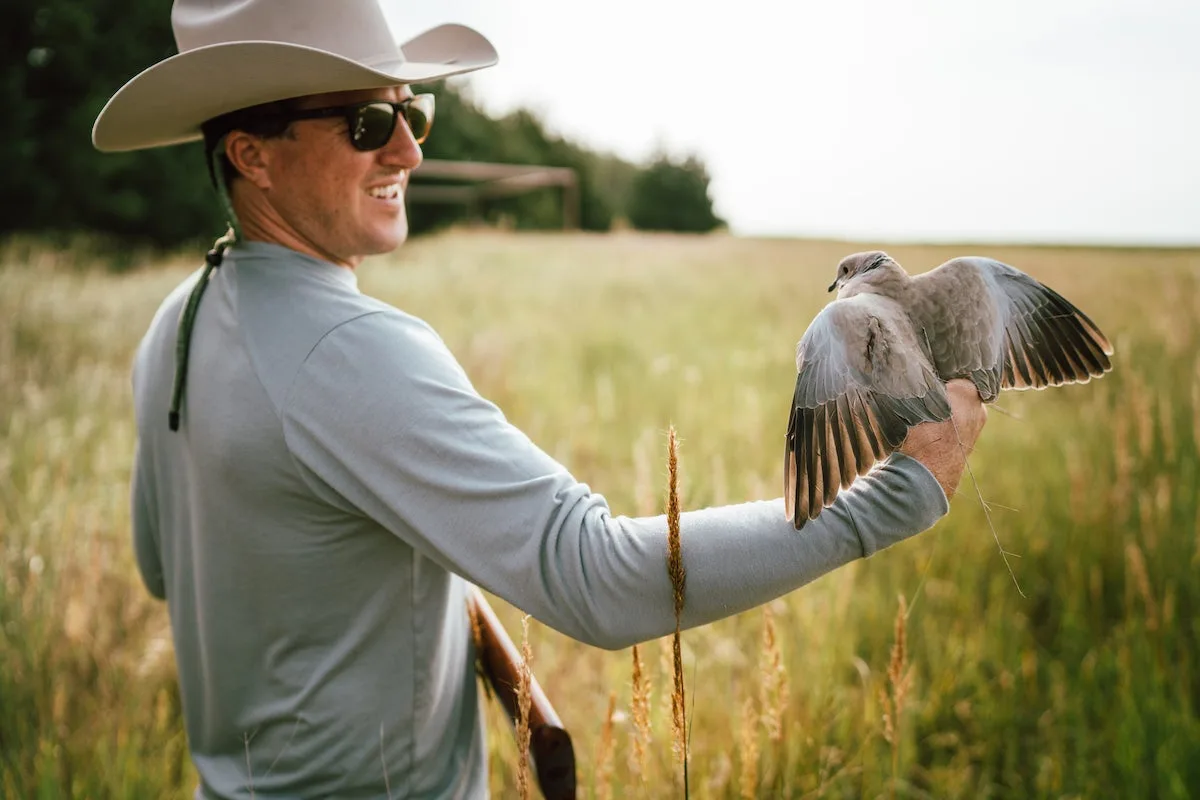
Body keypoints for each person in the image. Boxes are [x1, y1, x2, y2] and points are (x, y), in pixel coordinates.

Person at [94, 1, 988, 797]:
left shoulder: (180, 317)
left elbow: (161, 563)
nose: (408, 148)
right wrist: (893, 498)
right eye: (367, 122)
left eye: (413, 111)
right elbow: (599, 578)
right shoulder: (350, 350)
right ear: (251, 155)